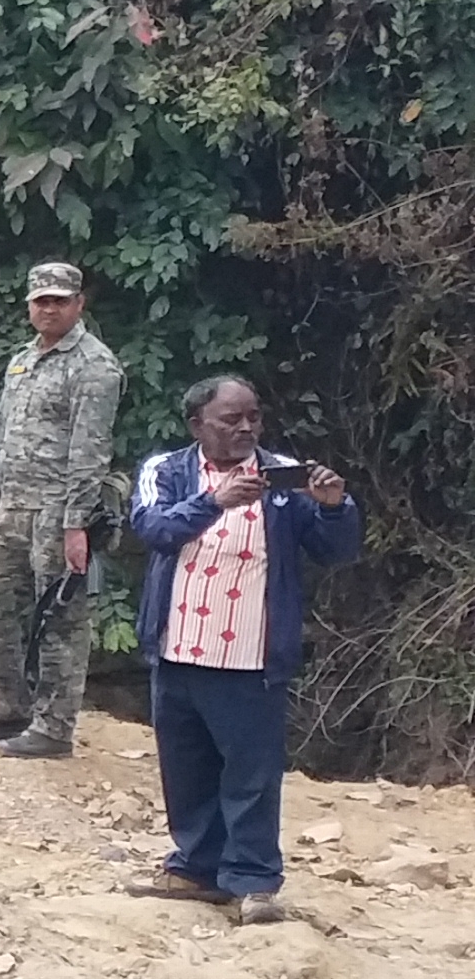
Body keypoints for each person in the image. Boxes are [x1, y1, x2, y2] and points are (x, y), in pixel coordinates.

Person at [123, 376, 360, 925]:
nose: (246, 428)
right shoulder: (167, 471)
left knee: (251, 774)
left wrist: (332, 506)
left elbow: (335, 552)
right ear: (196, 425)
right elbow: (154, 528)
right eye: (231, 419)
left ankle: (253, 883)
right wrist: (213, 501)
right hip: (178, 646)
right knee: (185, 767)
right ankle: (195, 869)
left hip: (251, 654)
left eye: (253, 416)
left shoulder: (282, 476)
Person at [0, 262, 126, 761]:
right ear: (29, 305)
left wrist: (77, 524)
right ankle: (9, 706)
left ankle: (54, 727)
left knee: (60, 618)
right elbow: (0, 439)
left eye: (59, 299)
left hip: (58, 510)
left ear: (78, 304)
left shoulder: (94, 366)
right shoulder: (22, 361)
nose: (49, 308)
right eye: (40, 300)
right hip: (12, 505)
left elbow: (90, 451)